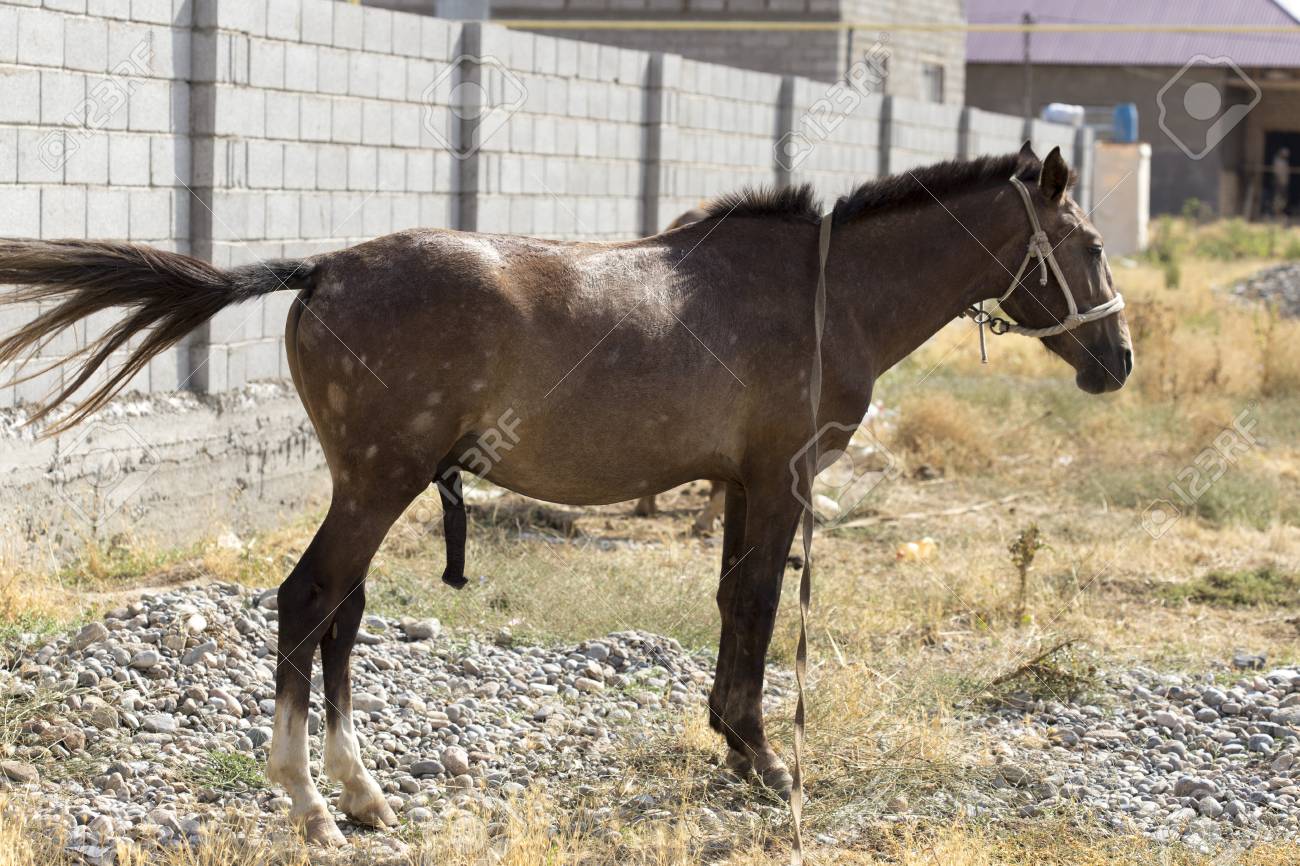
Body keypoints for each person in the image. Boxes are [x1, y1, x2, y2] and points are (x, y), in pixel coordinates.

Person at [1272, 147, 1291, 220]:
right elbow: (1276, 173)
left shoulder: (1285, 162)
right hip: (1278, 182)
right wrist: (1278, 181)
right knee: (1277, 197)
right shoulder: (1277, 161)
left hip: (1284, 182)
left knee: (1283, 198)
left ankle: (1281, 212)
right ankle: (1277, 213)